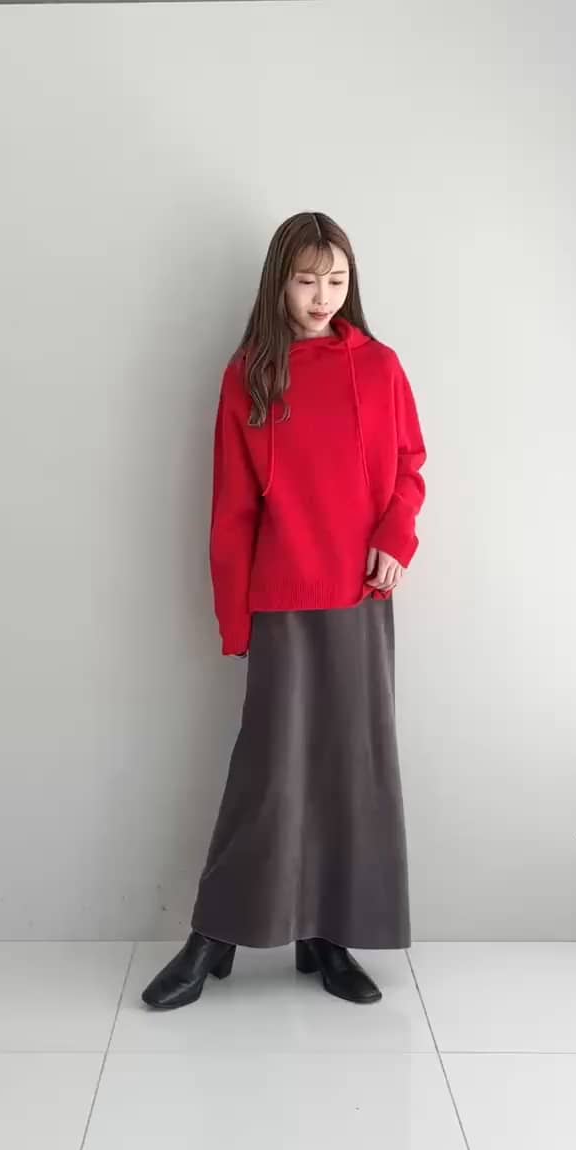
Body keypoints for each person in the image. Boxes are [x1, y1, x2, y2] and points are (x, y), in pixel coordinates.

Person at [142, 210, 427, 1011]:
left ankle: (327, 936)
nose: (322, 296)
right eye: (307, 280)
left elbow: (410, 466)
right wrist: (233, 618)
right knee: (269, 773)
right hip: (282, 598)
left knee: (353, 765)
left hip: (360, 597)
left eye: (336, 280)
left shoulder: (380, 367)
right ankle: (215, 935)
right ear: (279, 283)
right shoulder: (249, 376)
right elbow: (231, 509)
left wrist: (396, 537)